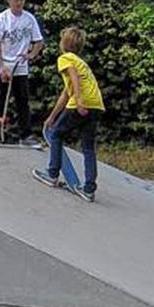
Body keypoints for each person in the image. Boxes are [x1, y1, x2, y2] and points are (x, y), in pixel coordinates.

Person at [32, 26, 105, 202]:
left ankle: (52, 174)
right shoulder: (82, 63)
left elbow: (73, 78)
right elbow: (66, 93)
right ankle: (88, 189)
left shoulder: (65, 59)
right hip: (96, 104)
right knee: (88, 147)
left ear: (63, 43)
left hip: (81, 103)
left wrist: (79, 100)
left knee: (56, 135)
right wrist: (52, 117)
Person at [0, 0, 43, 147]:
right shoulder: (1, 20)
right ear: (9, 1)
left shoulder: (29, 19)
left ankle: (26, 135)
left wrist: (31, 55)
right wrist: (2, 67)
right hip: (1, 66)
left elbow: (38, 41)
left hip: (20, 66)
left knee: (22, 101)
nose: (19, 3)